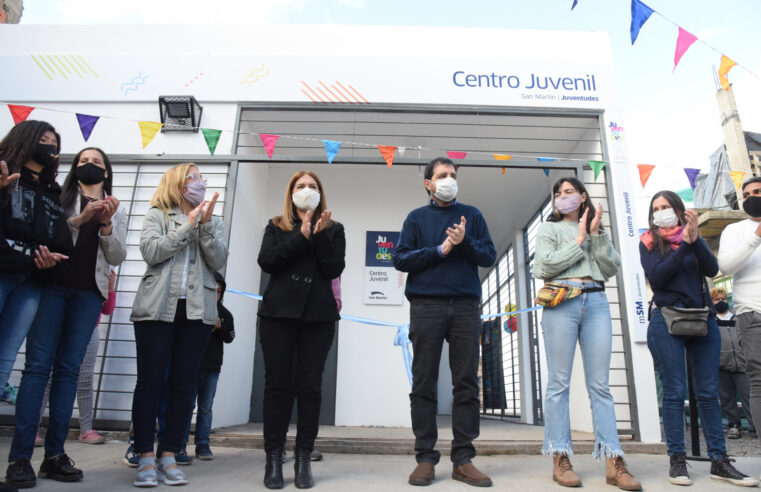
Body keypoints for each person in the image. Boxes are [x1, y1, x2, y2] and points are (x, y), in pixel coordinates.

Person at [392, 157, 496, 488]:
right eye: (442, 175)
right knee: (424, 382)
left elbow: (488, 256)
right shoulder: (416, 218)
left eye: (453, 174)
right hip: (426, 306)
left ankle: (463, 460)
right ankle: (425, 457)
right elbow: (400, 259)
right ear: (428, 183)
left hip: (466, 306)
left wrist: (464, 242)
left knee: (466, 383)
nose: (449, 179)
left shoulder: (473, 215)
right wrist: (440, 249)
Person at [641, 190, 756, 487]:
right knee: (674, 390)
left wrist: (695, 239)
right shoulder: (649, 242)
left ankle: (720, 460)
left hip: (703, 321)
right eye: (656, 208)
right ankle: (677, 460)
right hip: (666, 320)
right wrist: (682, 249)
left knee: (708, 392)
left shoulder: (694, 239)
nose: (661, 211)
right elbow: (658, 278)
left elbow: (712, 269)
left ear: (679, 210)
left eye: (666, 206)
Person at [533, 177, 640, 490]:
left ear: (582, 196)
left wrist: (595, 236)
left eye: (569, 192)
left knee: (600, 385)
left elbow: (610, 267)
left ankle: (613, 459)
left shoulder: (597, 230)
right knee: (558, 383)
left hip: (595, 301)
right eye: (558, 194)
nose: (563, 197)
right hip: (561, 302)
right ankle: (560, 455)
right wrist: (579, 240)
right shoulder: (549, 229)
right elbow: (544, 266)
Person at [129, 163, 227, 487]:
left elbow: (218, 260)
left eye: (201, 178)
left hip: (197, 312)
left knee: (185, 386)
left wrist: (205, 225)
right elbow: (151, 251)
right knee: (150, 382)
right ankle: (144, 455)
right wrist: (186, 226)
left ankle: (169, 454)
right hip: (157, 309)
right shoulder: (157, 213)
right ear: (177, 183)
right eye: (193, 178)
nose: (199, 183)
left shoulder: (214, 221)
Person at [257, 170, 345, 489]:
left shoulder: (334, 229)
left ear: (321, 193)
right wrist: (301, 235)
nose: (306, 191)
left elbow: (334, 267)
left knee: (309, 386)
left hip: (318, 318)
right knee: (277, 386)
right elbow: (267, 261)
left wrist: (319, 236)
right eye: (300, 186)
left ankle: (304, 457)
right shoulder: (275, 226)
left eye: (312, 186)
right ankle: (274, 457)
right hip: (277, 316)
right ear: (290, 193)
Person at [0, 120, 71, 405]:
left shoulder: (53, 193)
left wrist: (51, 262)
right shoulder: (4, 175)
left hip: (30, 282)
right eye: (43, 140)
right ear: (24, 139)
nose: (50, 147)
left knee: (7, 354)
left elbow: (62, 243)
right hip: (3, 271)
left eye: (54, 143)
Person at [35, 269, 117, 447]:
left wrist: (110, 288)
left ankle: (86, 428)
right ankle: (33, 428)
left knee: (85, 379)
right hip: (57, 326)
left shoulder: (103, 269)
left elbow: (107, 309)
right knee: (46, 378)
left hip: (89, 330)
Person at [718, 176, 761, 448]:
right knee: (758, 381)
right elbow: (726, 265)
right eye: (746, 195)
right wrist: (755, 236)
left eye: (757, 192)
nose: (751, 197)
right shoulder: (735, 230)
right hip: (752, 314)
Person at [182, 271, 235, 461]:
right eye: (212, 290)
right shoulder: (192, 309)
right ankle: (180, 443)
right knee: (187, 405)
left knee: (205, 407)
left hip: (212, 366)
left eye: (219, 291)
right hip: (192, 364)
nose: (216, 294)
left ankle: (202, 444)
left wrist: (221, 328)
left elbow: (230, 337)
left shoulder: (225, 314)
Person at [712, 286, 754, 439]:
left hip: (742, 364)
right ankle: (734, 425)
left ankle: (755, 425)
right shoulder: (712, 320)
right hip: (722, 365)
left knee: (749, 395)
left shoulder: (737, 317)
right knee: (727, 398)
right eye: (717, 299)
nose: (721, 302)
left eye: (723, 299)